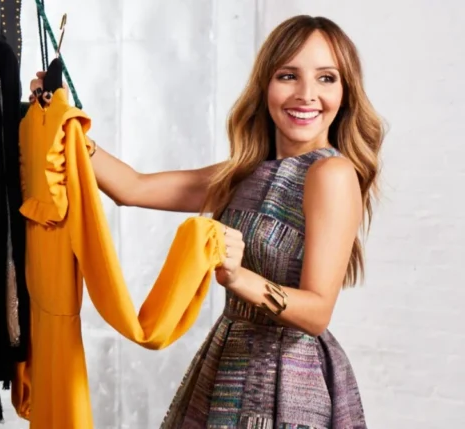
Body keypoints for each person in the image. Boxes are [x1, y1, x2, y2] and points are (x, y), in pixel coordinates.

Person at [28, 14, 380, 429]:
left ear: (345, 91)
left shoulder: (331, 174)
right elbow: (132, 188)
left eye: (326, 78)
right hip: (227, 364)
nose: (306, 95)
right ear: (265, 84)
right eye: (288, 76)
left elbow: (318, 312)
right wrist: (65, 125)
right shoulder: (245, 173)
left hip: (288, 382)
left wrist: (238, 277)